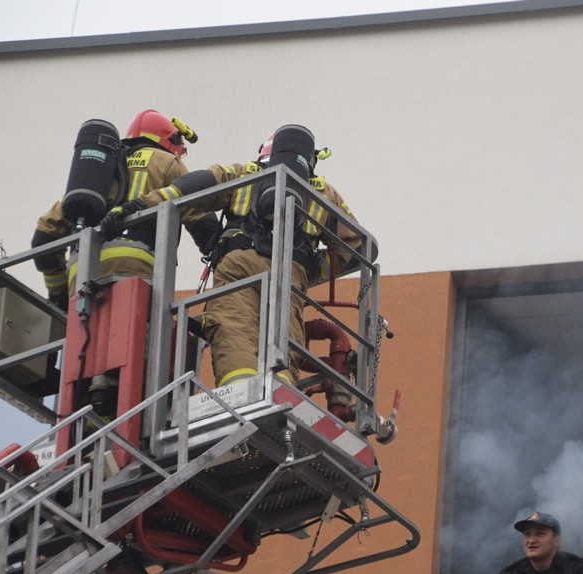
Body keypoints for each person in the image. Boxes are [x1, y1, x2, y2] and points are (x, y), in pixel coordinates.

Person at [100, 124, 362, 386]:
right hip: (290, 275)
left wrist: (139, 205)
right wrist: (311, 271)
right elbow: (359, 247)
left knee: (232, 329)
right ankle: (279, 393)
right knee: (283, 339)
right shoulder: (324, 193)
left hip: (239, 264)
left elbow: (189, 190)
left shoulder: (243, 173)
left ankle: (239, 392)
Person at [31, 109, 218, 309]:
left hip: (82, 271)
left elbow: (44, 237)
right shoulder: (167, 162)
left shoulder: (97, 171)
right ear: (171, 142)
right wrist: (221, 258)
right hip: (136, 267)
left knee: (88, 338)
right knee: (137, 334)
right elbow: (200, 216)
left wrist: (60, 296)